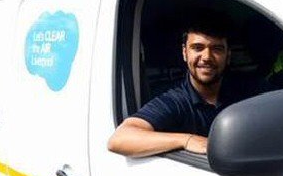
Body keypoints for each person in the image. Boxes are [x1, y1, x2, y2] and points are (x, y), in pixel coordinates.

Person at [108, 13, 269, 157]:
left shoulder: (249, 91)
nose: (206, 57)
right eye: (197, 48)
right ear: (185, 53)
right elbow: (120, 139)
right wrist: (187, 140)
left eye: (217, 49)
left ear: (228, 56)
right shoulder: (176, 101)